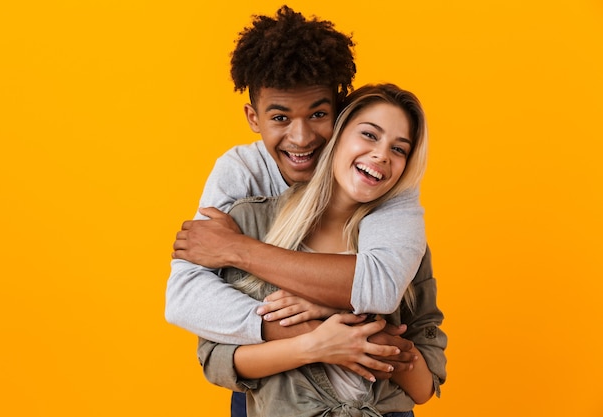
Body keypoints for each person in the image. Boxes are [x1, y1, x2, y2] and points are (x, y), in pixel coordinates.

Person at [165, 6, 427, 416]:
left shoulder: (383, 178)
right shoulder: (242, 174)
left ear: (341, 112)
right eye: (280, 117)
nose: (301, 138)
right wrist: (315, 340)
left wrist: (237, 250)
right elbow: (183, 299)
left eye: (318, 115)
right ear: (254, 117)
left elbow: (379, 287)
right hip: (273, 387)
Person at [198, 83, 446, 416]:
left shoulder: (402, 248)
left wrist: (331, 313)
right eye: (370, 135)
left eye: (399, 149)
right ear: (337, 135)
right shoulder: (252, 222)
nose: (382, 155)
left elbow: (423, 387)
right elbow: (217, 361)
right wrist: (314, 346)